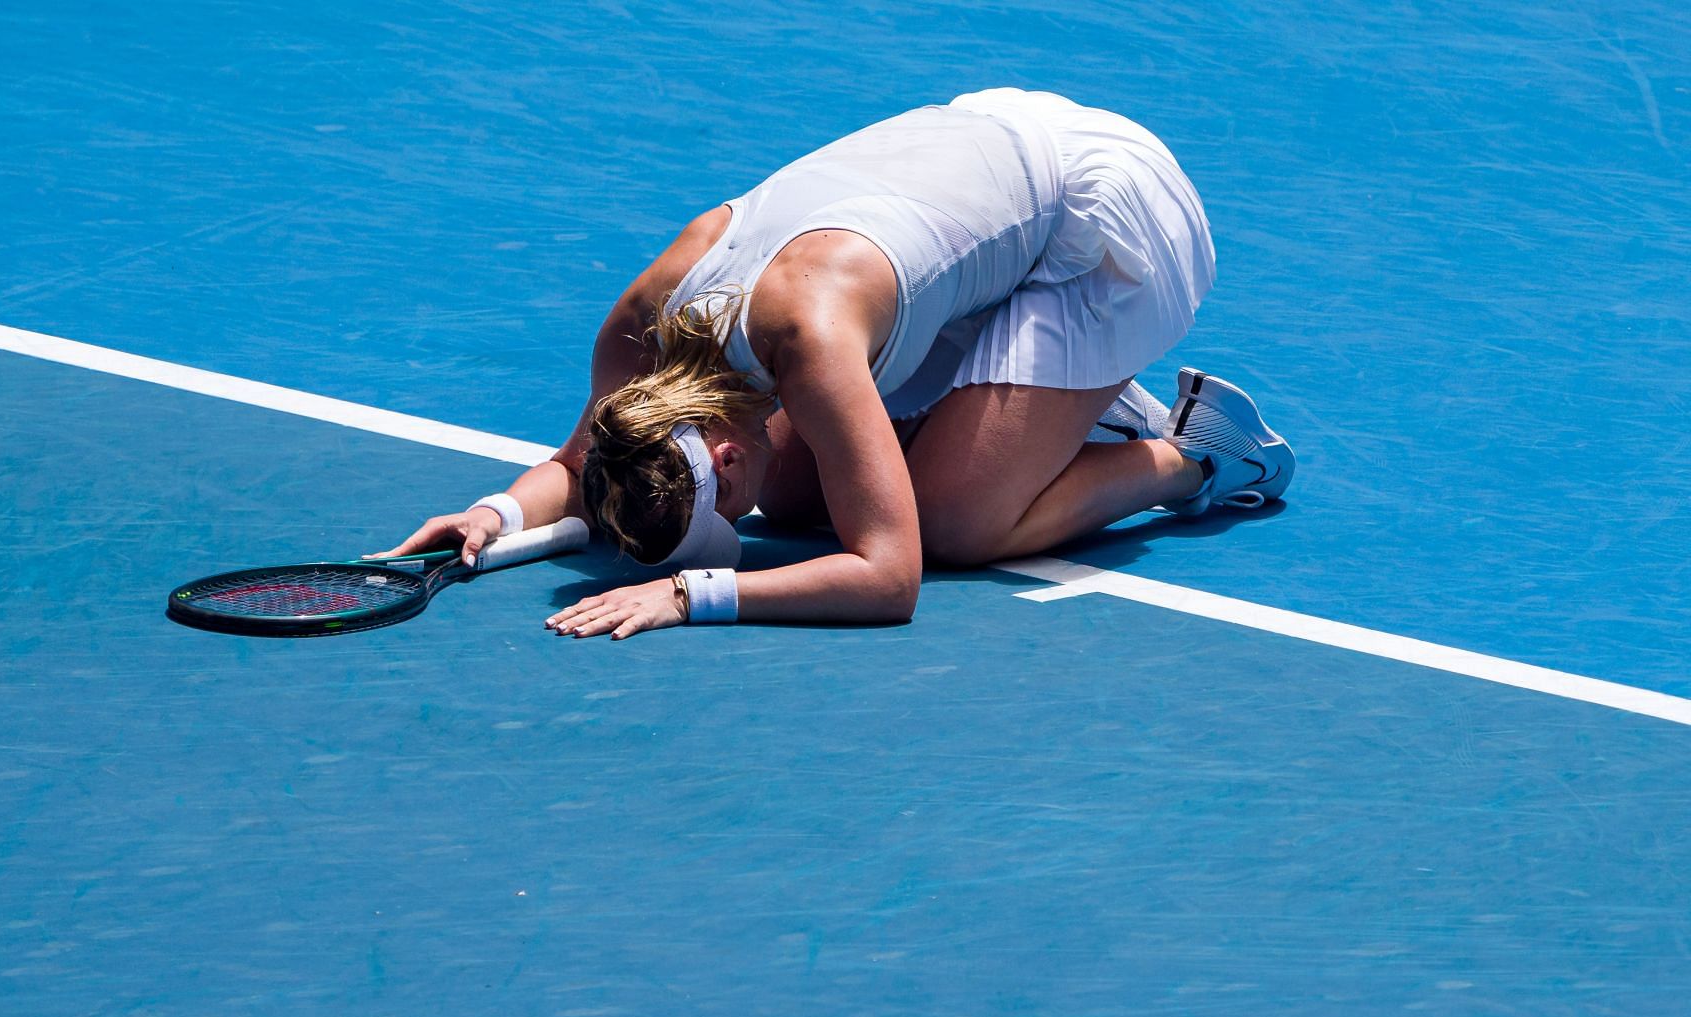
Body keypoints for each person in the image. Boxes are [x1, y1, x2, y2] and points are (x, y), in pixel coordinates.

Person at [373, 88, 1292, 639]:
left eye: (726, 509)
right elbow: (581, 466)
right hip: (983, 168)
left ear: (726, 457)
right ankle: (1039, 421)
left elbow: (890, 578)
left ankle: (1196, 456)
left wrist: (695, 594)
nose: (741, 513)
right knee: (806, 500)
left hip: (1098, 212)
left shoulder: (808, 341)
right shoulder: (646, 331)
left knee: (953, 525)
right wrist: (491, 514)